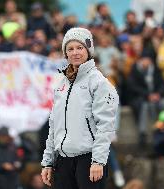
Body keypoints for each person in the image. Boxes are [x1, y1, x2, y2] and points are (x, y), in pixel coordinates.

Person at [41, 27, 119, 189]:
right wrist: (48, 161)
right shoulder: (61, 84)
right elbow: (54, 125)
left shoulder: (99, 83)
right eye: (70, 49)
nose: (75, 52)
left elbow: (105, 126)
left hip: (89, 160)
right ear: (65, 53)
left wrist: (98, 161)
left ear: (88, 50)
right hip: (63, 161)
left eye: (79, 47)